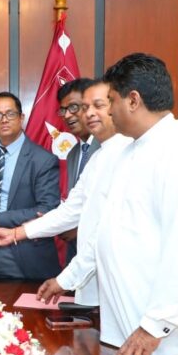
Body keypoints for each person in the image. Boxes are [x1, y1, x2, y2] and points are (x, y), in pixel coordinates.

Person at [37, 53, 178, 355]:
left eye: (111, 101)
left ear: (133, 100)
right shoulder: (129, 150)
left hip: (157, 339)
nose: (107, 111)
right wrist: (68, 279)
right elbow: (104, 233)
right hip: (127, 327)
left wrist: (153, 328)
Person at [0, 80, 132, 306]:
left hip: (125, 276)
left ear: (117, 106)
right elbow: (69, 212)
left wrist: (65, 279)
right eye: (85, 107)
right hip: (96, 275)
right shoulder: (99, 157)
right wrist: (15, 234)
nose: (89, 113)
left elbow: (103, 233)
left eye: (99, 105)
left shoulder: (130, 152)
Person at [0, 92, 61, 280]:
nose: (4, 120)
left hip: (20, 251)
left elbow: (47, 209)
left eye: (10, 114)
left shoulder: (42, 159)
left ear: (21, 118)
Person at [59, 78, 100, 263]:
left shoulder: (107, 147)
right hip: (75, 252)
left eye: (73, 107)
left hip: (100, 253)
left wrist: (78, 229)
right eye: (63, 110)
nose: (67, 115)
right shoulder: (73, 153)